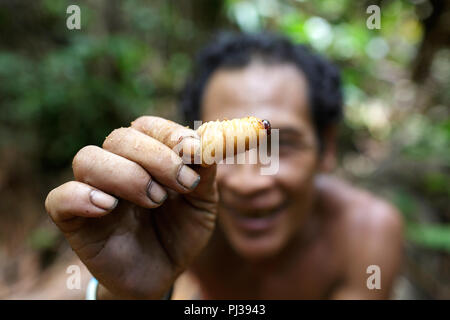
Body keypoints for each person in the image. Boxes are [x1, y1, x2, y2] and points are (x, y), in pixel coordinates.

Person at [44, 33, 404, 299]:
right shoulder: (168, 216)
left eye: (283, 145)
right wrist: (120, 294)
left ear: (326, 148)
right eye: (226, 149)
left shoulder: (364, 235)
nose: (249, 183)